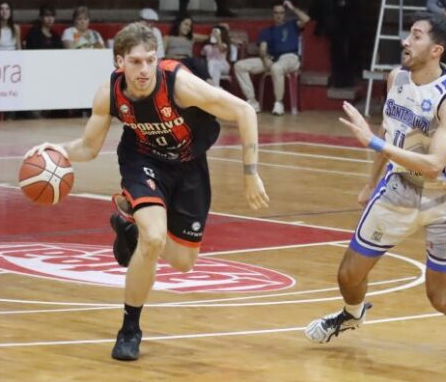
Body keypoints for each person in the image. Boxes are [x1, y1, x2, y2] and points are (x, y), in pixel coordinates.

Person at [27, 22, 268, 361]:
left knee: (183, 263)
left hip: (189, 166)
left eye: (150, 60)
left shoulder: (179, 85)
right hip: (143, 160)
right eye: (136, 61)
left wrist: (250, 173)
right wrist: (58, 149)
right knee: (154, 239)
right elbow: (89, 147)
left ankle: (131, 228)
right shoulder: (110, 93)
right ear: (119, 62)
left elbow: (244, 110)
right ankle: (130, 329)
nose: (144, 69)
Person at [304, 14, 446, 362]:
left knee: (441, 298)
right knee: (348, 275)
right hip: (399, 188)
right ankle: (352, 314)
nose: (406, 41)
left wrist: (373, 143)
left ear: (436, 50)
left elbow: (434, 166)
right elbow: (391, 132)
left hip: (445, 200)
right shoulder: (397, 78)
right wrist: (370, 182)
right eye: (409, 34)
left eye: (416, 36)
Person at [233, 0, 309, 115]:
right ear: (272, 14)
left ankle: (278, 103)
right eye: (276, 13)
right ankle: (252, 101)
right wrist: (265, 59)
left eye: (281, 13)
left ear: (285, 14)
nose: (279, 15)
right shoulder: (267, 31)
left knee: (276, 68)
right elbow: (263, 49)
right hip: (272, 58)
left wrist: (292, 8)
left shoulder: (292, 25)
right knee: (239, 66)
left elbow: (306, 20)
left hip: (290, 57)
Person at [317, 0, 361, 88]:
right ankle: (338, 78)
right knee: (337, 45)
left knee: (352, 43)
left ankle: (351, 77)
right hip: (334, 13)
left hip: (351, 12)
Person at [164, 14, 211, 81]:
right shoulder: (167, 38)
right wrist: (174, 56)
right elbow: (161, 55)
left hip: (189, 61)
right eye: (186, 24)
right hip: (174, 61)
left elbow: (209, 38)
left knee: (199, 62)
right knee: (193, 73)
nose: (188, 28)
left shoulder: (191, 37)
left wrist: (218, 30)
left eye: (190, 26)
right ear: (178, 24)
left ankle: (210, 81)